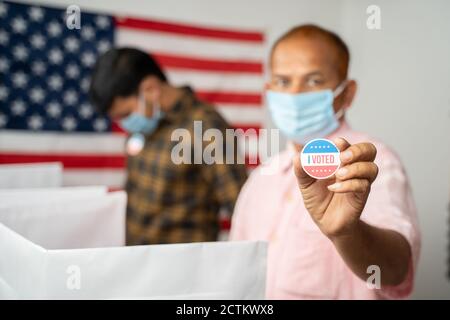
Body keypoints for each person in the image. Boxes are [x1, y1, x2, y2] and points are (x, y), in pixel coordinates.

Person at [230, 25, 420, 299]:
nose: (294, 94)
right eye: (283, 82)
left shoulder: (371, 163)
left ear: (347, 94)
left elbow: (395, 270)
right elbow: (239, 273)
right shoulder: (261, 178)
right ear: (269, 91)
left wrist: (347, 233)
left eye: (313, 81)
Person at [89, 48, 247, 245]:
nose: (124, 123)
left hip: (181, 264)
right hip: (135, 256)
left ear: (150, 89)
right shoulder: (146, 119)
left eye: (125, 114)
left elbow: (242, 207)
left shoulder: (206, 128)